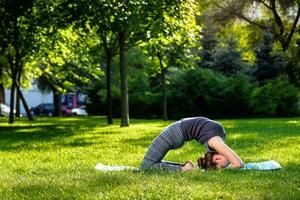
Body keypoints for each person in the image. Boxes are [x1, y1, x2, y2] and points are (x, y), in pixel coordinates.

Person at [140, 117, 244, 171]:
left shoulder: (217, 139)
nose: (230, 160)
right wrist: (230, 165)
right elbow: (239, 164)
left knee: (146, 167)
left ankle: (185, 169)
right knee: (150, 165)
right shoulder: (216, 142)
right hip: (176, 132)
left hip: (175, 132)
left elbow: (237, 164)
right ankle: (186, 168)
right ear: (217, 158)